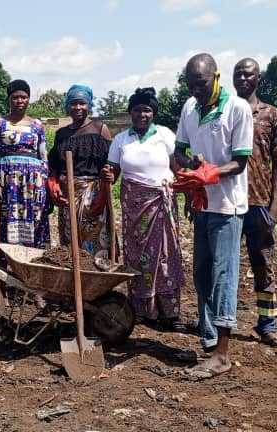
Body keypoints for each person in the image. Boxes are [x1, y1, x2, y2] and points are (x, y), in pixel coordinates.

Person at [172, 53, 254, 379]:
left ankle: (222, 353)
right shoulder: (190, 109)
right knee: (202, 275)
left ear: (216, 77)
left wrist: (209, 174)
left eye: (202, 84)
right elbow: (178, 149)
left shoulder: (237, 109)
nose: (196, 90)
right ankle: (208, 343)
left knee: (224, 277)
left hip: (228, 208)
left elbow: (240, 162)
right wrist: (188, 169)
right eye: (191, 85)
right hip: (202, 206)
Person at [102, 88, 185, 332]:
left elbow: (178, 167)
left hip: (161, 203)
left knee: (167, 255)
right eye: (137, 110)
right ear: (130, 113)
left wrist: (190, 192)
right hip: (134, 207)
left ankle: (169, 312)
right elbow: (114, 172)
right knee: (138, 257)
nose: (142, 114)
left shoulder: (165, 135)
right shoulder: (121, 140)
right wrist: (108, 174)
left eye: (147, 110)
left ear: (154, 113)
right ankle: (142, 310)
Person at [232, 58, 277, 348]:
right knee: (226, 266)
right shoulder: (225, 112)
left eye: (249, 74)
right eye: (238, 75)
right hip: (227, 203)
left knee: (263, 264)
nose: (243, 79)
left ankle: (268, 324)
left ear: (259, 78)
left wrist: (275, 205)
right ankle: (223, 322)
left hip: (259, 202)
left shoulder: (272, 115)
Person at [0, 80, 50, 251]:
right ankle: (1, 267)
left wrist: (44, 186)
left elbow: (44, 157)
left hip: (32, 182)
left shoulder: (37, 125)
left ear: (28, 99)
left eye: (24, 97)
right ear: (9, 99)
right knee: (2, 218)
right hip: (4, 180)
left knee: (32, 218)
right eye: (15, 97)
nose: (20, 101)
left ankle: (28, 265)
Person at [48, 84, 115, 259]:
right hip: (67, 195)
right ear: (67, 106)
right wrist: (53, 183)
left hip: (93, 194)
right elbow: (54, 165)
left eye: (82, 103)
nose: (78, 108)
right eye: (73, 103)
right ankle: (72, 280)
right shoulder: (61, 134)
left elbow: (110, 166)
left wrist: (102, 196)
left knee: (94, 238)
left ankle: (96, 281)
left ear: (89, 105)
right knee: (70, 241)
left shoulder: (100, 130)